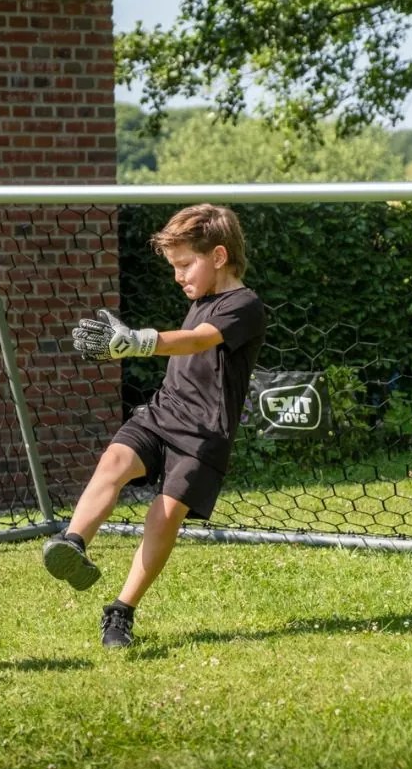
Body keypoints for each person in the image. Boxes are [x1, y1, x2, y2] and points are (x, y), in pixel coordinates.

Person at [42, 203, 266, 648]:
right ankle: (73, 543)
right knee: (114, 461)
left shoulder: (244, 305)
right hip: (162, 414)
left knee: (163, 518)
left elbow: (199, 340)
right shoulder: (201, 300)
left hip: (203, 436)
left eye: (185, 265)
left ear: (218, 256)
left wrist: (143, 341)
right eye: (175, 267)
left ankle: (120, 612)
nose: (178, 276)